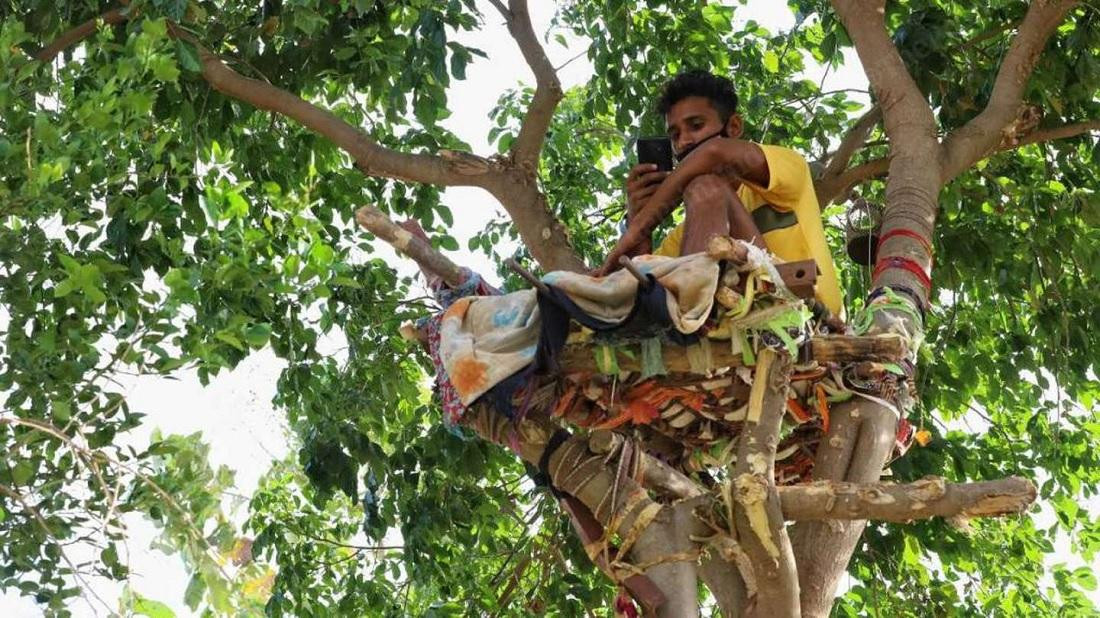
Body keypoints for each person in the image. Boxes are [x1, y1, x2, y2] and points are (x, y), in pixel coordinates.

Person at [600, 70, 843, 317]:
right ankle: (690, 319)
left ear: (734, 126)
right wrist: (638, 217)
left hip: (801, 316)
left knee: (706, 186)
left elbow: (714, 152)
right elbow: (639, 285)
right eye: (674, 136)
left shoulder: (790, 170)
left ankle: (689, 317)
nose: (683, 141)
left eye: (696, 125)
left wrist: (638, 227)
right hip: (727, 331)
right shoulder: (690, 231)